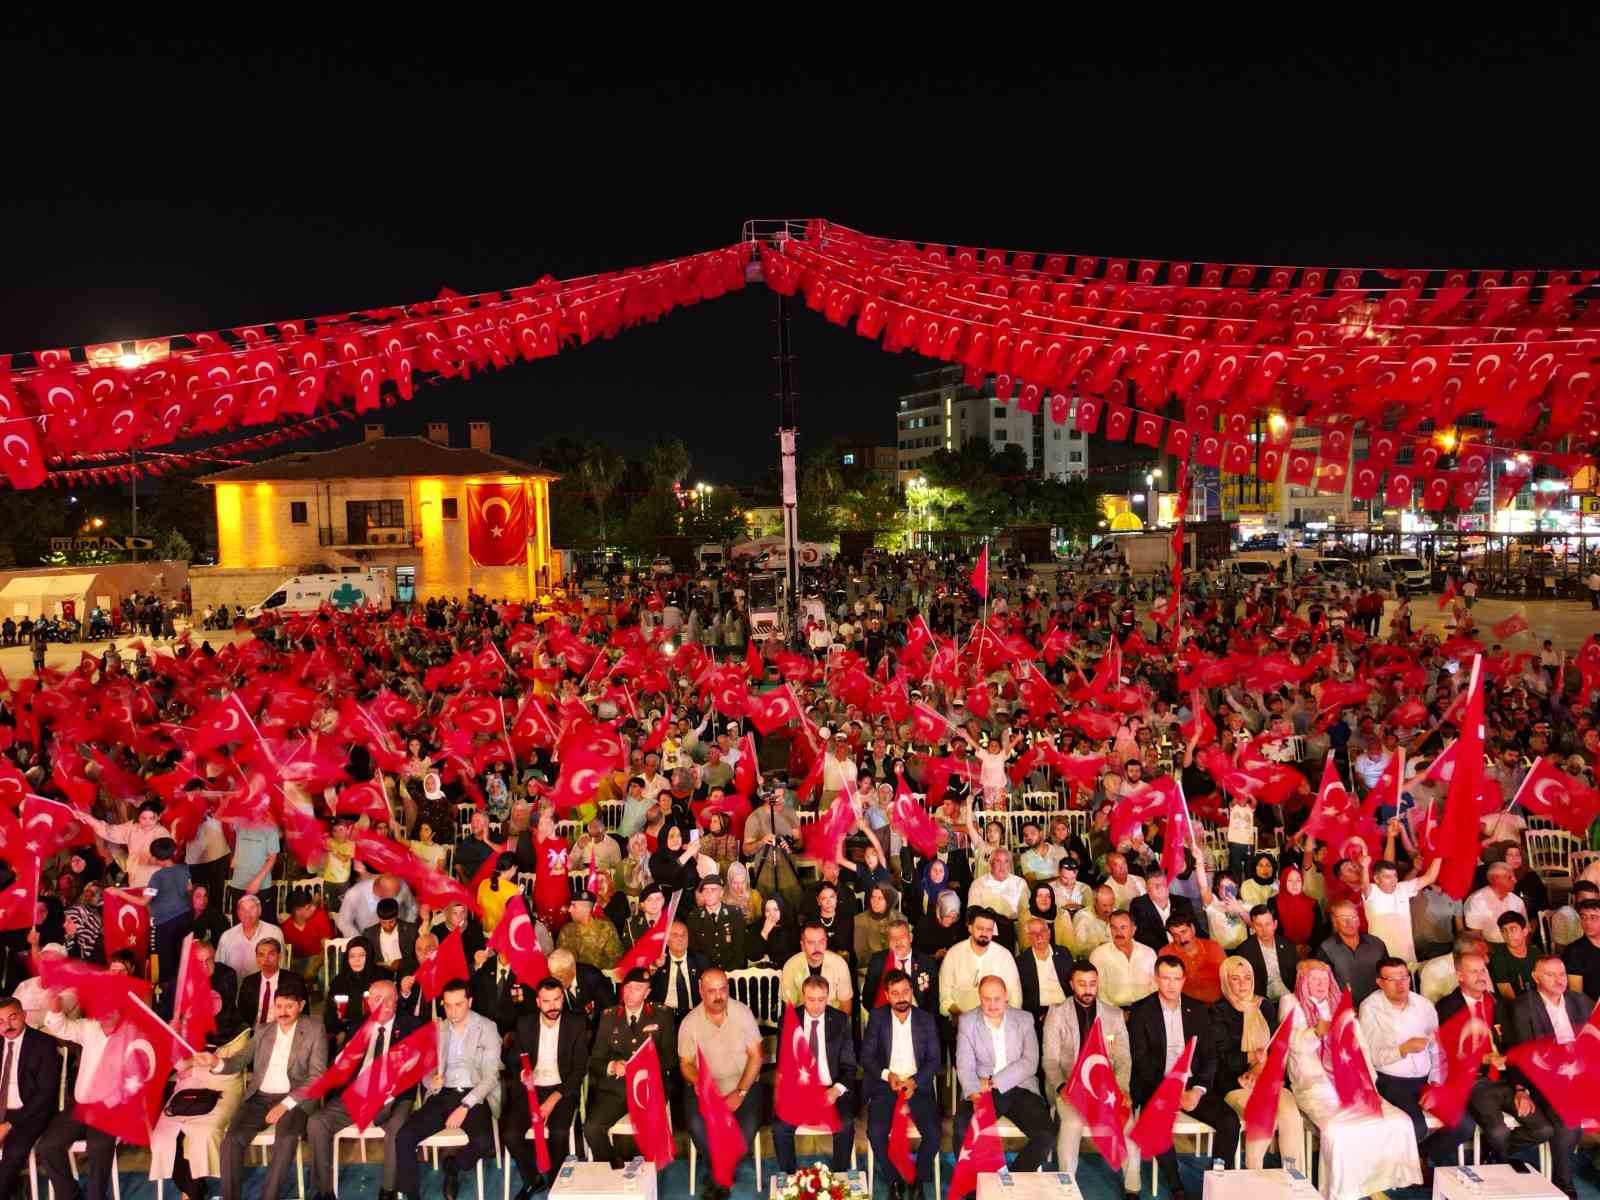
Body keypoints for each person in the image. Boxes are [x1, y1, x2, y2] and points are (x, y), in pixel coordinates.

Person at [1278, 959, 1421, 1200]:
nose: (1321, 984)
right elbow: (1292, 1043)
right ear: (1303, 981)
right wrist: (1315, 1033)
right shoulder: (1290, 1002)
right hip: (1317, 1085)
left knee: (1398, 1122)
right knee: (1340, 1131)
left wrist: (1368, 1082)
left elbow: (1361, 1044)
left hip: (1353, 1082)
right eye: (1314, 979)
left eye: (1324, 979)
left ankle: (1375, 1185)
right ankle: (1344, 1191)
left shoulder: (1339, 1003)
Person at [201, 974, 326, 1200]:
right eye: (279, 1006)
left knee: (286, 1138)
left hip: (294, 1099)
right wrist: (216, 1063)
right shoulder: (263, 1030)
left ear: (301, 1006)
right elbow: (240, 1060)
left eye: (289, 1006)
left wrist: (285, 1105)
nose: (283, 1011)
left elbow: (317, 1077)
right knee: (232, 1140)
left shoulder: (315, 1029)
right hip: (260, 1097)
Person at [1434, 949, 1556, 1175]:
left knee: (1544, 1129)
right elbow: (1446, 1053)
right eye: (1474, 972)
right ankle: (1499, 1160)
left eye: (1483, 970)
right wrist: (1480, 1059)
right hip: (1474, 1081)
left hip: (1506, 1079)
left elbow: (1514, 1048)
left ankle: (1493, 1153)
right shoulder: (1447, 1007)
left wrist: (1521, 1088)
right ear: (1459, 976)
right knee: (1498, 1131)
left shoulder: (1497, 1002)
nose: (1481, 976)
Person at [1128, 956, 1240, 1199]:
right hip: (1157, 1085)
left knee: (1230, 1121)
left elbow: (1210, 1056)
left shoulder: (1198, 1009)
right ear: (1155, 979)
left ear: (1183, 980)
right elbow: (1141, 1061)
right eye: (1165, 978)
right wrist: (1170, 1092)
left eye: (1176, 979)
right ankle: (1177, 1187)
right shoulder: (1141, 1011)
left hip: (1191, 1084)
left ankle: (1216, 1182)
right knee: (1157, 1126)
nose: (1171, 985)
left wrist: (1198, 1090)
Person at [304, 978, 420, 1200]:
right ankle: (324, 1191)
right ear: (370, 1002)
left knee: (396, 1129)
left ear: (396, 1000)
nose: (383, 1005)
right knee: (317, 1122)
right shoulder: (358, 1025)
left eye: (388, 999)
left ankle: (388, 1190)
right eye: (377, 999)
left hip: (394, 1096)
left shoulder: (410, 1025)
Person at [392, 978, 502, 1200]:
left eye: (458, 1004)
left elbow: (491, 1077)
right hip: (443, 1094)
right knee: (404, 1136)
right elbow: (424, 1072)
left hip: (475, 1094)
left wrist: (464, 1106)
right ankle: (410, 1194)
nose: (453, 1011)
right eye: (448, 1005)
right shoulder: (437, 1029)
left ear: (469, 1001)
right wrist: (430, 1081)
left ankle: (454, 1166)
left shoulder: (487, 1028)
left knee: (484, 1141)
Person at [1357, 956, 1465, 1172]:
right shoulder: (1370, 1007)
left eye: (1404, 977)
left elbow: (1437, 1049)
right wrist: (1402, 1049)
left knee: (1463, 1124)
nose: (1400, 984)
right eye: (1392, 979)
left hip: (1425, 1080)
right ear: (1379, 982)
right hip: (1391, 1081)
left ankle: (1421, 1156)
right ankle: (1406, 1168)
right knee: (1415, 1126)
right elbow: (1371, 1055)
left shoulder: (1423, 1005)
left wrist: (1436, 1081)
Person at [1041, 958, 1139, 1189]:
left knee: (1128, 1124)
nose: (1088, 989)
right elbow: (1050, 1060)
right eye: (1082, 983)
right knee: (1073, 1123)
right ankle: (1067, 1186)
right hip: (1070, 1086)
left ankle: (1133, 1187)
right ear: (1071, 984)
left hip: (1106, 1088)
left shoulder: (1114, 1014)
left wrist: (1122, 1087)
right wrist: (1060, 1086)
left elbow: (1124, 1058)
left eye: (1092, 983)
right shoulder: (1056, 1013)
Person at [1503, 956, 1590, 1198]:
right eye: (1550, 974)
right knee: (1569, 1120)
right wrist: (1520, 1088)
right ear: (1535, 977)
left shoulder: (1581, 1001)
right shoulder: (1523, 1007)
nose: (1559, 980)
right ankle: (1564, 1184)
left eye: (1561, 974)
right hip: (1543, 1078)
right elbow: (1517, 1052)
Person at [677, 968, 765, 1200]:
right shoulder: (689, 1023)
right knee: (697, 1127)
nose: (718, 996)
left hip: (743, 1083)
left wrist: (741, 1091)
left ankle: (719, 1176)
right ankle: (722, 1173)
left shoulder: (743, 1013)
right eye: (712, 991)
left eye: (723, 989)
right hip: (707, 1088)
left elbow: (757, 1056)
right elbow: (685, 1063)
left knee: (744, 1131)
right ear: (701, 991)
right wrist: (698, 1081)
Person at [954, 975, 1055, 1171]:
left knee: (1046, 1135)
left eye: (997, 999)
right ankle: (971, 1191)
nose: (992, 1005)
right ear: (979, 997)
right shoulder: (967, 1022)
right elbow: (964, 1065)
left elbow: (1030, 1063)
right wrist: (975, 1092)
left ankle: (1013, 1181)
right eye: (986, 999)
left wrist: (993, 1082)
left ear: (1006, 996)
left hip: (1020, 1088)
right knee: (962, 1129)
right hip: (981, 1091)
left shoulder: (1024, 1019)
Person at [1213, 956, 1304, 1173]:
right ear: (1226, 980)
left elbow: (1275, 1049)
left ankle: (1293, 1175)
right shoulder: (1217, 1011)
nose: (1243, 984)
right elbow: (1220, 1057)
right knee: (1264, 1115)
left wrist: (1258, 1068)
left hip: (1268, 1077)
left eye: (1247, 977)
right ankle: (1255, 1174)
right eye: (1235, 979)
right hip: (1235, 1083)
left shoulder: (1265, 1006)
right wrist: (1251, 1058)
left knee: (1290, 1114)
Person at [583, 968, 677, 1167]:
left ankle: (652, 1177)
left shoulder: (662, 1015)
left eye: (637, 988)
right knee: (592, 1128)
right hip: (616, 1089)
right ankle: (614, 1167)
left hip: (649, 1088)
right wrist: (612, 1066)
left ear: (647, 992)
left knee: (652, 1130)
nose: (629, 992)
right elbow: (596, 1060)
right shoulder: (608, 1017)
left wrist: (645, 1067)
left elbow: (669, 1059)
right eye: (627, 987)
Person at [506, 976, 591, 1197]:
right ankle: (533, 1178)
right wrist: (523, 1072)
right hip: (531, 1088)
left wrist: (555, 1098)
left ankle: (556, 1183)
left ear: (563, 998)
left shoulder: (576, 1023)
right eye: (546, 1001)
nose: (552, 1006)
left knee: (559, 1132)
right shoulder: (525, 1024)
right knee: (511, 1135)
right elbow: (514, 1058)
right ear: (537, 1002)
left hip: (562, 1088)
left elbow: (579, 1069)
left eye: (557, 1000)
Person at [862, 970, 941, 1200]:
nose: (901, 997)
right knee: (876, 1133)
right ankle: (893, 1180)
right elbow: (867, 1057)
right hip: (886, 1085)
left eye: (905, 991)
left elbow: (934, 1059)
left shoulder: (925, 1019)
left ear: (911, 991)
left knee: (934, 1135)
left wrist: (915, 1081)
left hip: (918, 1085)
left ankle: (918, 1180)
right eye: (895, 993)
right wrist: (888, 1075)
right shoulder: (877, 1018)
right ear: (887, 995)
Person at [773, 974, 856, 1171]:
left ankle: (839, 1176)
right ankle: (790, 1176)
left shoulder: (840, 1020)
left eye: (821, 999)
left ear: (828, 997)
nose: (816, 1005)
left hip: (831, 1087)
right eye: (811, 999)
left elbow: (849, 1066)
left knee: (845, 1124)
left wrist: (835, 1091)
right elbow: (783, 1063)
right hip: (799, 1088)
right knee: (780, 1127)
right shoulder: (788, 1020)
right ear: (803, 995)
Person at [0, 996, 62, 1200]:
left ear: (24, 1015)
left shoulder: (43, 1044)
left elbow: (45, 1094)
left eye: (13, 1018)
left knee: (14, 1152)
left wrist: (8, 1125)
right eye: (0, 1021)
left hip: (30, 1113)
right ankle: (14, 1188)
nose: (7, 1025)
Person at [939, 907, 1022, 1019]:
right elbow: (945, 997)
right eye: (980, 928)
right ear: (970, 928)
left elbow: (1015, 996)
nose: (984, 933)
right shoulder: (954, 954)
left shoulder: (1004, 956)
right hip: (960, 1019)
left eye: (989, 930)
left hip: (997, 1021)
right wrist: (962, 1020)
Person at [1361, 850, 1440, 966]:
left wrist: (1439, 854)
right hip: (1382, 958)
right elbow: (1364, 886)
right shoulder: (1372, 891)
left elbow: (1430, 877)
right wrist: (1364, 867)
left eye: (1395, 876)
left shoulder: (1403, 888)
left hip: (1408, 958)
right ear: (1377, 879)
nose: (1393, 880)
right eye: (1387, 877)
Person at [1316, 899, 1386, 1007]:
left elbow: (1388, 975)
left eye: (1353, 918)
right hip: (1344, 1009)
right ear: (1335, 923)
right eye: (1344, 918)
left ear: (1359, 921)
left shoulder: (1376, 944)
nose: (1349, 922)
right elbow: (1322, 985)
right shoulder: (1326, 948)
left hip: (1378, 1007)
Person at [863, 918, 938, 1014]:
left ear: (910, 938)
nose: (898, 942)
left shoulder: (927, 963)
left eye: (902, 937)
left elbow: (933, 1003)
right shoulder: (878, 961)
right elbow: (868, 999)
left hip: (919, 1021)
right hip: (886, 1020)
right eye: (893, 938)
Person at [780, 922, 854, 1013]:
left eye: (821, 942)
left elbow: (846, 1005)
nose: (817, 948)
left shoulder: (840, 964)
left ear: (826, 942)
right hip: (803, 1021)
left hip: (832, 1020)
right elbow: (790, 1007)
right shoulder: (791, 965)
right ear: (802, 945)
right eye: (811, 943)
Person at [1090, 911, 1157, 1009]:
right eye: (1114, 927)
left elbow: (1155, 986)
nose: (1118, 933)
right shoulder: (1099, 955)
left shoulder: (1148, 953)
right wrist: (1115, 1013)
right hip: (1112, 1010)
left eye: (1123, 927)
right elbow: (1099, 991)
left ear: (1133, 930)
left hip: (1146, 1010)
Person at [215, 893, 286, 980]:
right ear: (238, 913)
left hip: (264, 988)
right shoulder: (227, 936)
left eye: (252, 909)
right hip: (234, 989)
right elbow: (219, 967)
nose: (247, 914)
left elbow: (282, 965)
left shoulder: (274, 932)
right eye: (243, 909)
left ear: (260, 911)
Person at [684, 872, 747, 971]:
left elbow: (740, 950)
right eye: (705, 890)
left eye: (713, 890)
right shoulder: (694, 918)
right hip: (706, 974)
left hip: (732, 973)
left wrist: (731, 973)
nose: (708, 894)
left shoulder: (735, 914)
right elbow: (694, 952)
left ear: (721, 893)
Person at [1160, 913, 1226, 1003]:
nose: (1182, 939)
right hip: (1186, 1008)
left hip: (1217, 1005)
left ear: (1193, 928)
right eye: (1175, 935)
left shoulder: (1213, 947)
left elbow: (1227, 976)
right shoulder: (1165, 953)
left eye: (1184, 932)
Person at [1238, 904, 1299, 1001]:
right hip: (1261, 1001)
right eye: (1259, 925)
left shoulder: (1288, 946)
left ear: (1275, 924)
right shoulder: (1244, 951)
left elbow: (1297, 976)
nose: (1264, 930)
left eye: (1268, 924)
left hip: (1289, 997)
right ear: (1253, 926)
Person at [1130, 871, 1200, 953]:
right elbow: (1142, 937)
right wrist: (1169, 951)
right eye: (1155, 885)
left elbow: (1195, 929)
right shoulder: (1139, 905)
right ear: (1147, 890)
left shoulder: (1183, 902)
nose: (1160, 888)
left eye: (1163, 884)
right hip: (1157, 953)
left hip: (1187, 949)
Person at [556, 888, 623, 970]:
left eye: (573, 905)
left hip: (598, 980)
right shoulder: (566, 930)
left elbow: (615, 961)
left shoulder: (606, 929)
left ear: (585, 909)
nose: (569, 910)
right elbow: (559, 959)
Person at [649, 921, 707, 1013]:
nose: (680, 939)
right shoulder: (658, 960)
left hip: (693, 1013)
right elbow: (647, 986)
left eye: (684, 935)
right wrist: (655, 966)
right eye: (675, 935)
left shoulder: (700, 960)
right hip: (664, 1013)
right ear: (667, 941)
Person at [1465, 862, 1528, 944]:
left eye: (1514, 876)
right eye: (1510, 877)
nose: (1515, 880)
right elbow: (1475, 936)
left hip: (1517, 945)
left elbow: (1525, 930)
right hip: (1490, 947)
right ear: (1495, 879)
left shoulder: (1517, 901)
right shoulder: (1477, 900)